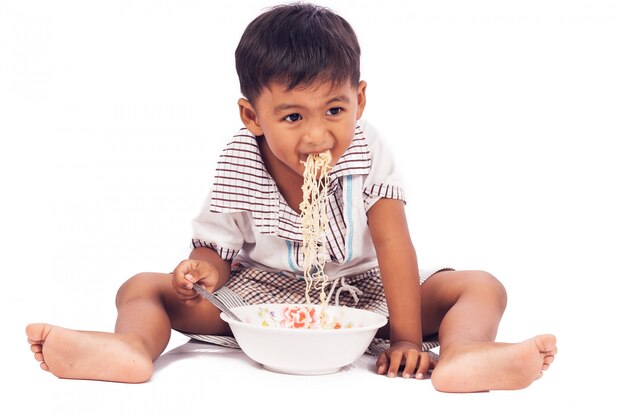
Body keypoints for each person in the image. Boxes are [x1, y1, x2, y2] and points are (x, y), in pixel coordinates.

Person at [26, 3, 556, 392]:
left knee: (480, 286)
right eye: (292, 116)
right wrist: (202, 269)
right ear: (252, 117)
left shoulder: (368, 149)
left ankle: (464, 357)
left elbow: (395, 245)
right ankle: (130, 349)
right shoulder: (241, 157)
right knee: (144, 287)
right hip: (265, 301)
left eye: (334, 110)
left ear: (360, 99)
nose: (317, 136)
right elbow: (217, 249)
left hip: (366, 295)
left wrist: (408, 339)